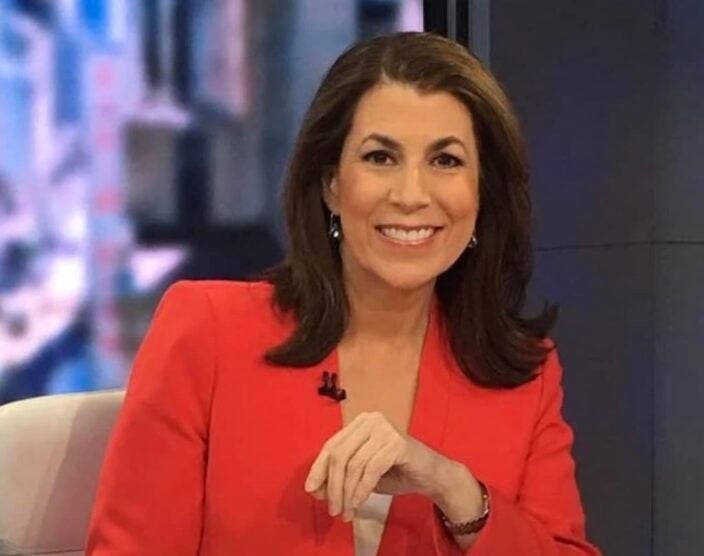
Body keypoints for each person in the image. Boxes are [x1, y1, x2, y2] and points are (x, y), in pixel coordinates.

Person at [86, 32, 602, 555]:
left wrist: (457, 491)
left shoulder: (524, 377)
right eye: (381, 157)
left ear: (481, 193)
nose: (411, 195)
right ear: (332, 183)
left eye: (446, 161)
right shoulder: (208, 332)